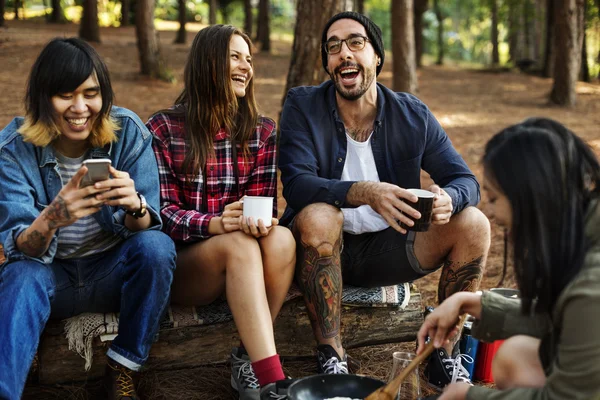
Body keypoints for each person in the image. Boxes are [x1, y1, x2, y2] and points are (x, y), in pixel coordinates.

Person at [278, 11, 491, 388]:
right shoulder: (303, 105)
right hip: (322, 251)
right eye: (333, 47)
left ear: (376, 56)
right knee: (318, 216)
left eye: (355, 43)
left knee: (474, 223)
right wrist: (363, 192)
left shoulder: (412, 114)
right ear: (328, 64)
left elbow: (465, 180)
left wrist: (450, 199)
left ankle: (441, 353)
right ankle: (332, 354)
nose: (343, 53)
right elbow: (296, 185)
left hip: (393, 252)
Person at [0, 38, 176, 400]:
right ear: (42, 98)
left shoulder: (127, 132)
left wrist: (136, 207)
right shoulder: (13, 149)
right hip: (51, 277)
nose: (80, 108)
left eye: (90, 94)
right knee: (20, 274)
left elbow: (148, 230)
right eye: (65, 95)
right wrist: (51, 218)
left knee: (157, 247)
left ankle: (122, 368)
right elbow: (20, 248)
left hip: (111, 271)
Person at [147, 25, 296, 400]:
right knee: (237, 246)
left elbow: (265, 205)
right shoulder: (163, 128)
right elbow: (158, 214)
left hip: (246, 263)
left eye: (249, 59)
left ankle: (248, 359)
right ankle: (273, 382)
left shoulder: (261, 131)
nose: (245, 66)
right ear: (206, 62)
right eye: (234, 56)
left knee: (281, 239)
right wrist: (214, 224)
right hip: (187, 267)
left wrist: (258, 222)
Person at [417, 118, 600, 399]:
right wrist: (469, 302)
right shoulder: (581, 230)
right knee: (516, 355)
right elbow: (561, 319)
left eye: (492, 198)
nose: (489, 212)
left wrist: (466, 396)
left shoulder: (591, 284)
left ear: (530, 197)